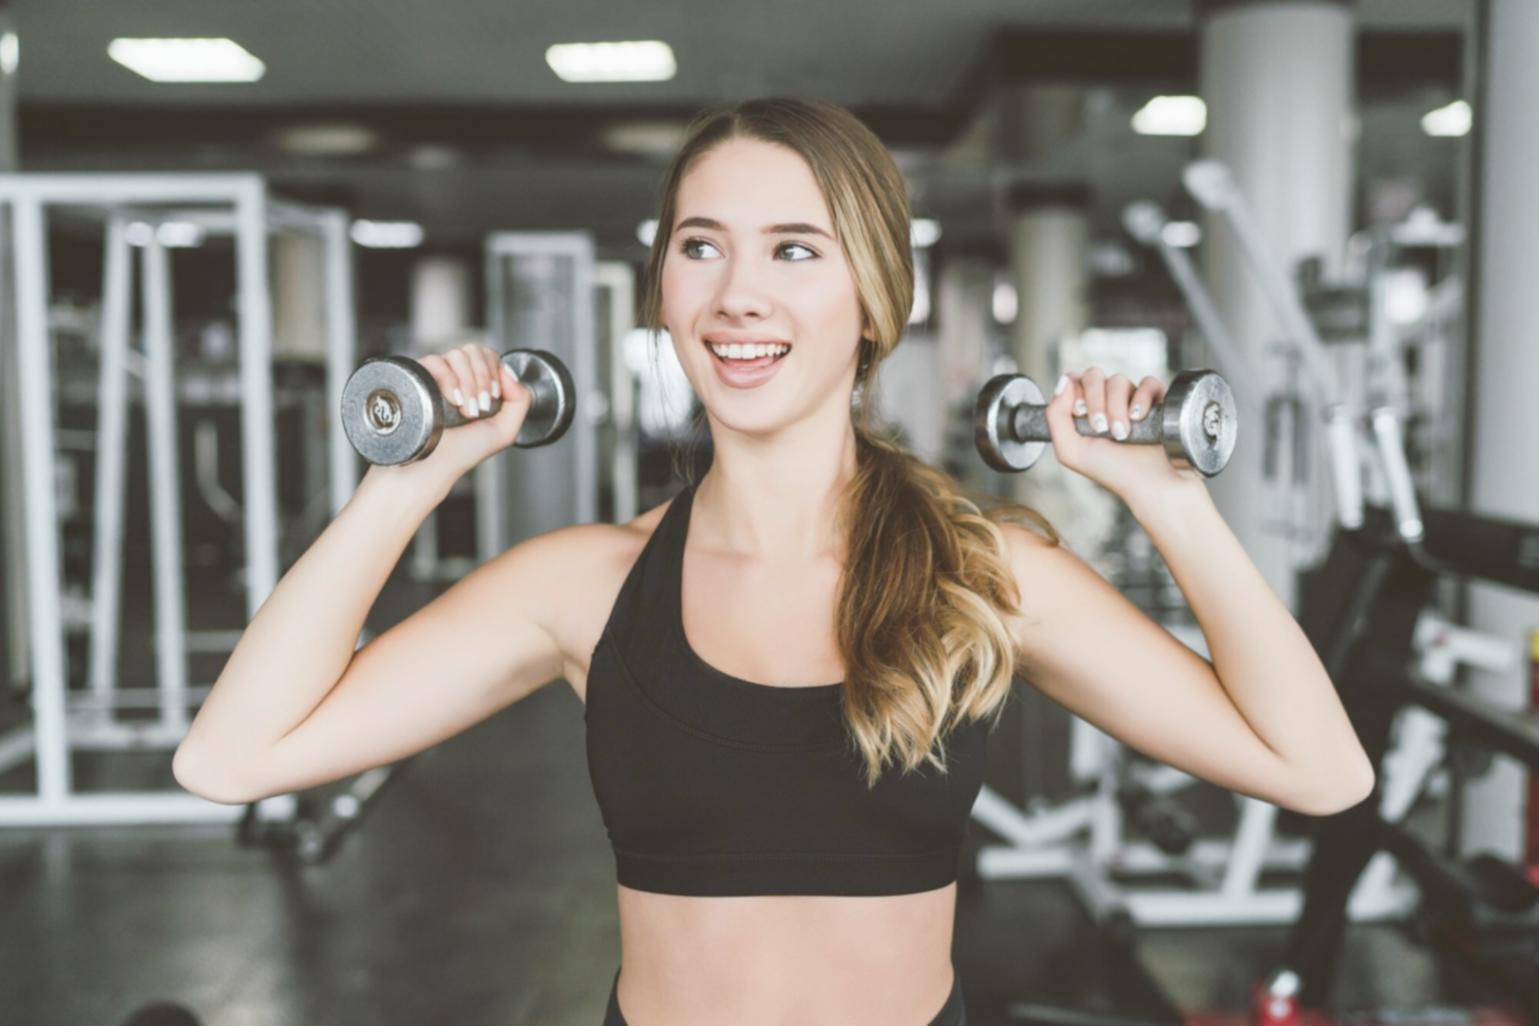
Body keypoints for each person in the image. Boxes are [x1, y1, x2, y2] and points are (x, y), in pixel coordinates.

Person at [173, 97, 1376, 1026]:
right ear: (664, 287)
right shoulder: (583, 586)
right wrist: (410, 477)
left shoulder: (982, 573)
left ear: (873, 298)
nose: (738, 294)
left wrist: (1174, 501)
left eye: (795, 250)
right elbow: (234, 755)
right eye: (703, 246)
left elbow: (1319, 773)